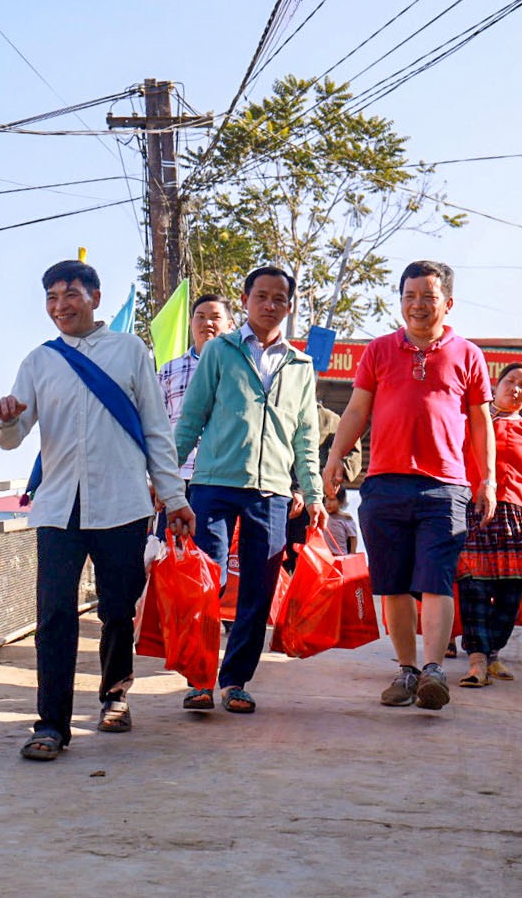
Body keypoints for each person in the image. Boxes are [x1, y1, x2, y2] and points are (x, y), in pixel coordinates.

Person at [0, 259, 195, 761]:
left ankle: (115, 696)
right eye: (52, 298)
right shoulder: (39, 361)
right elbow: (13, 440)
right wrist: (7, 420)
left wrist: (174, 498)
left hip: (122, 504)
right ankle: (51, 725)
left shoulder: (129, 351)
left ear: (95, 298)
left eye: (70, 295)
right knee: (54, 614)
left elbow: (155, 430)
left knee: (118, 609)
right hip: (59, 507)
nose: (61, 306)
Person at [324, 260, 495, 711]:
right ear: (401, 300)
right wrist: (335, 457)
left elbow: (480, 424)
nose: (418, 305)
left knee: (436, 582)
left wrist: (488, 480)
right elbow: (357, 411)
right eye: (410, 296)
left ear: (448, 303)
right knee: (393, 585)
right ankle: (407, 670)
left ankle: (434, 670)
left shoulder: (469, 355)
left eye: (428, 297)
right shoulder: (378, 351)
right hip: (383, 485)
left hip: (446, 489)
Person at [174, 266, 327, 714]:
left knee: (258, 589)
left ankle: (235, 680)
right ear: (245, 299)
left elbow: (305, 436)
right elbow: (192, 418)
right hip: (213, 485)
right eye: (261, 296)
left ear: (289, 305)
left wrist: (313, 493)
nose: (270, 304)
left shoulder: (300, 366)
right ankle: (199, 679)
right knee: (208, 582)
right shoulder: (219, 351)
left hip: (272, 492)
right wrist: (165, 481)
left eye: (279, 298)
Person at [455, 363, 522, 687]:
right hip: (475, 513)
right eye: (510, 381)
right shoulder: (472, 422)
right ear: (496, 385)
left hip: (520, 520)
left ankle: (493, 655)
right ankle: (476, 660)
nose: (515, 388)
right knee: (474, 588)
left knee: (509, 594)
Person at [156, 293, 236, 508]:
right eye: (200, 316)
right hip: (177, 476)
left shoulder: (241, 370)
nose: (207, 323)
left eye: (215, 317)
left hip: (223, 478)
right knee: (170, 542)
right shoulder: (170, 370)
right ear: (191, 323)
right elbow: (155, 426)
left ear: (230, 325)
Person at [284, 403, 362, 572]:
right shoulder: (332, 419)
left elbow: (352, 454)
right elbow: (353, 456)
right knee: (305, 557)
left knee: (285, 555)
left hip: (295, 496)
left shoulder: (328, 419)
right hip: (311, 497)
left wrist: (334, 477)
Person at [323, 486, 359, 556]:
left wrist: (352, 554)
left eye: (332, 500)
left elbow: (353, 538)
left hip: (341, 555)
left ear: (341, 501)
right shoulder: (323, 516)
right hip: (324, 556)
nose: (328, 503)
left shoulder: (346, 518)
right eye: (326, 499)